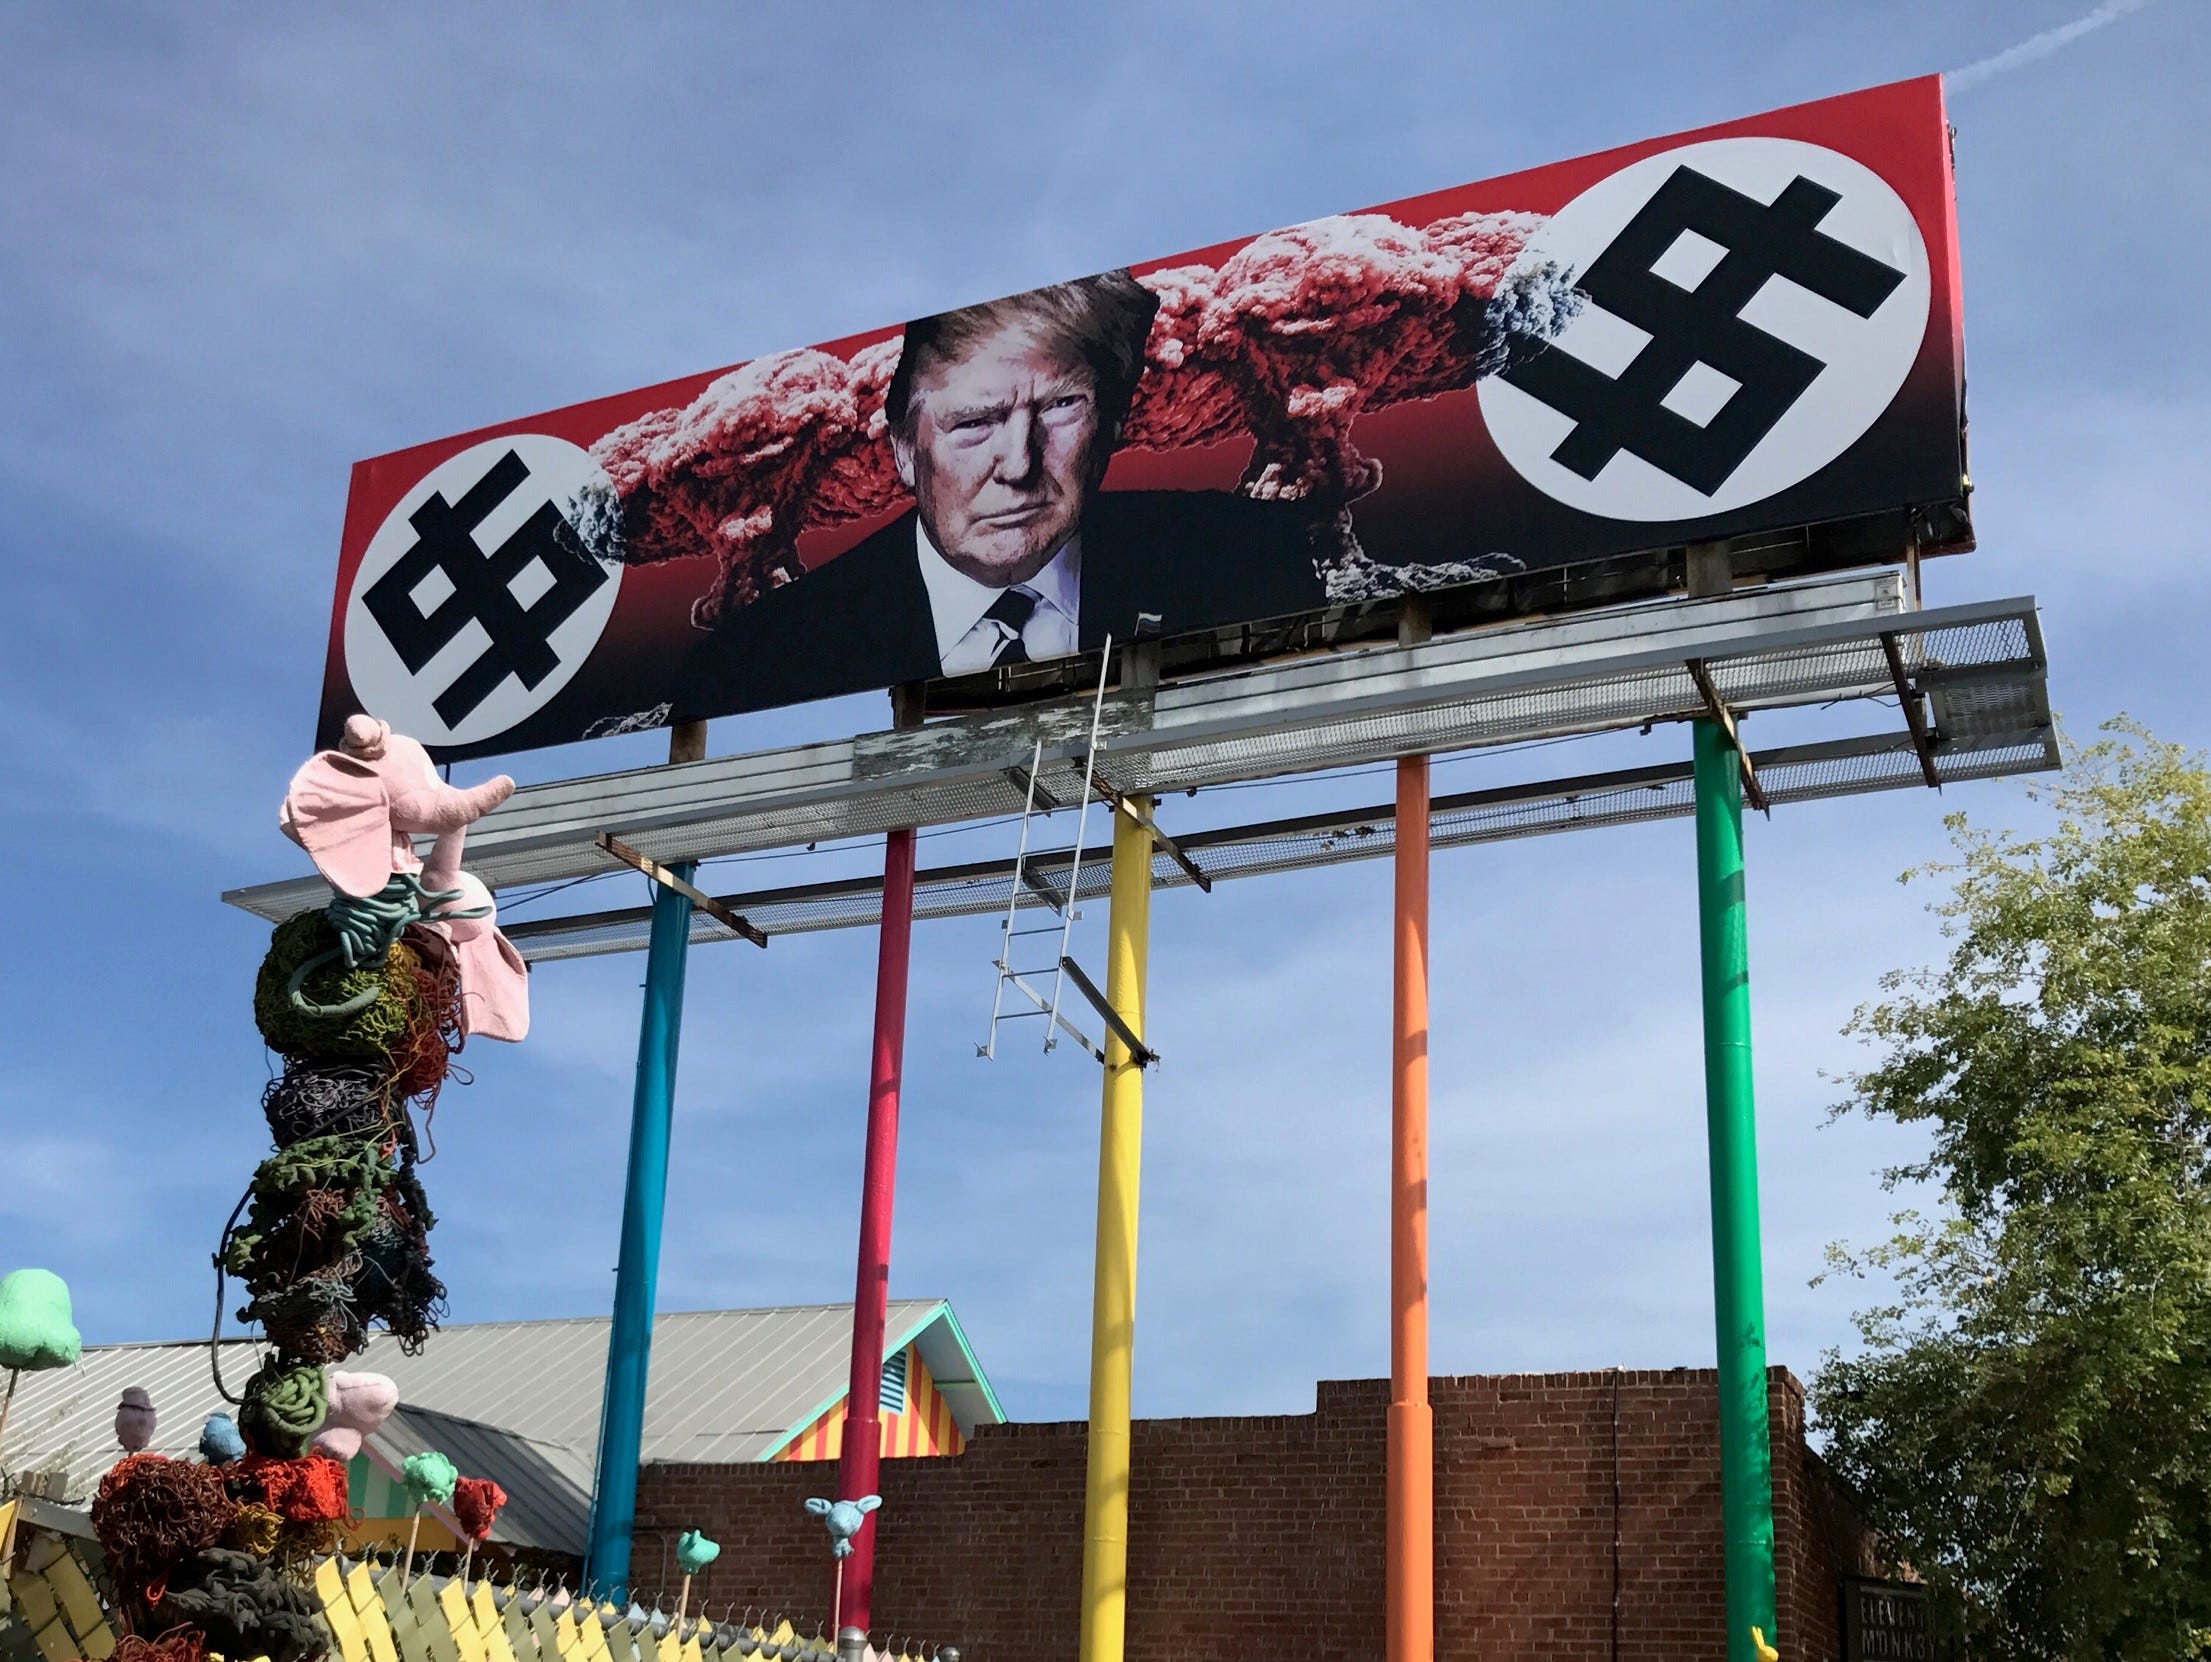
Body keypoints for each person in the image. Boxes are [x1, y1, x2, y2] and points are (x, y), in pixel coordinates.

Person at [673, 270, 1327, 720]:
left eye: (1060, 408)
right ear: (904, 448)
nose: (1017, 464)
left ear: (1110, 428)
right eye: (974, 423)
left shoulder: (1242, 556)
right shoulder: (765, 654)